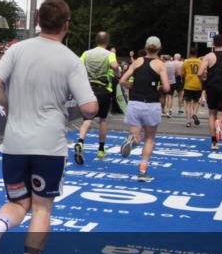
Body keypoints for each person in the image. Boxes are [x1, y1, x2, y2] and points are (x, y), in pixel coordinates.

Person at [0, 0, 98, 254]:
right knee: (42, 208)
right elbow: (90, 106)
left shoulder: (17, 49)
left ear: (37, 20)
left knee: (17, 203)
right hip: (49, 144)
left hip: (15, 142)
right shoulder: (70, 59)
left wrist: (10, 103)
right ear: (67, 25)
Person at [118, 36, 170, 181]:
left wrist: (132, 86)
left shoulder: (137, 62)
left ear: (146, 48)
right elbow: (166, 87)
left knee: (136, 137)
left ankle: (131, 141)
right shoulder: (160, 65)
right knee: (149, 138)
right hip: (151, 104)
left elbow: (122, 81)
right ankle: (142, 171)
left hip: (135, 103)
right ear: (159, 49)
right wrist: (157, 88)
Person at [75, 31, 119, 164]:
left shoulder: (86, 53)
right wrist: (116, 73)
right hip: (104, 90)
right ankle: (101, 149)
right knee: (103, 119)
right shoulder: (110, 55)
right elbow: (115, 66)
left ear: (95, 40)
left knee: (87, 118)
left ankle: (81, 142)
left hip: (88, 89)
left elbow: (78, 66)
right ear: (107, 41)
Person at [181, 48, 204, 128]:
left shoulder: (186, 62)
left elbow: (182, 74)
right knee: (196, 101)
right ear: (196, 54)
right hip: (197, 84)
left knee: (187, 103)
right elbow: (203, 74)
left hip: (188, 84)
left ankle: (188, 122)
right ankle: (194, 113)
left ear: (190, 54)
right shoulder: (200, 62)